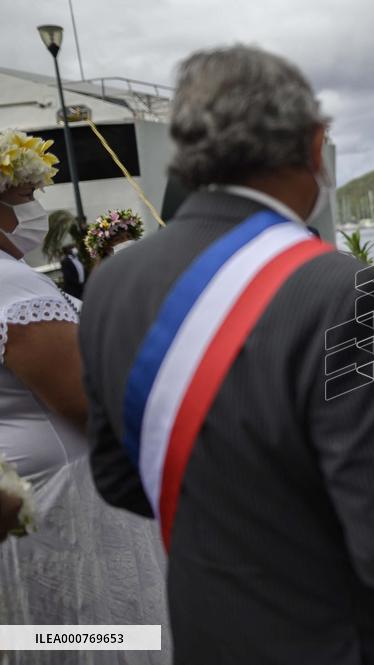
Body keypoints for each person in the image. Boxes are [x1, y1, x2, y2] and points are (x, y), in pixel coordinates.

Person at [80, 46, 374, 664]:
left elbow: (119, 478)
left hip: (205, 630)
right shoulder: (349, 291)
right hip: (338, 637)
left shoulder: (109, 285)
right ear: (313, 144)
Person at [0, 183, 170, 662]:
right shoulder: (10, 284)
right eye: (23, 195)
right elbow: (93, 403)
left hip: (38, 499)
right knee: (102, 633)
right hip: (65, 510)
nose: (34, 206)